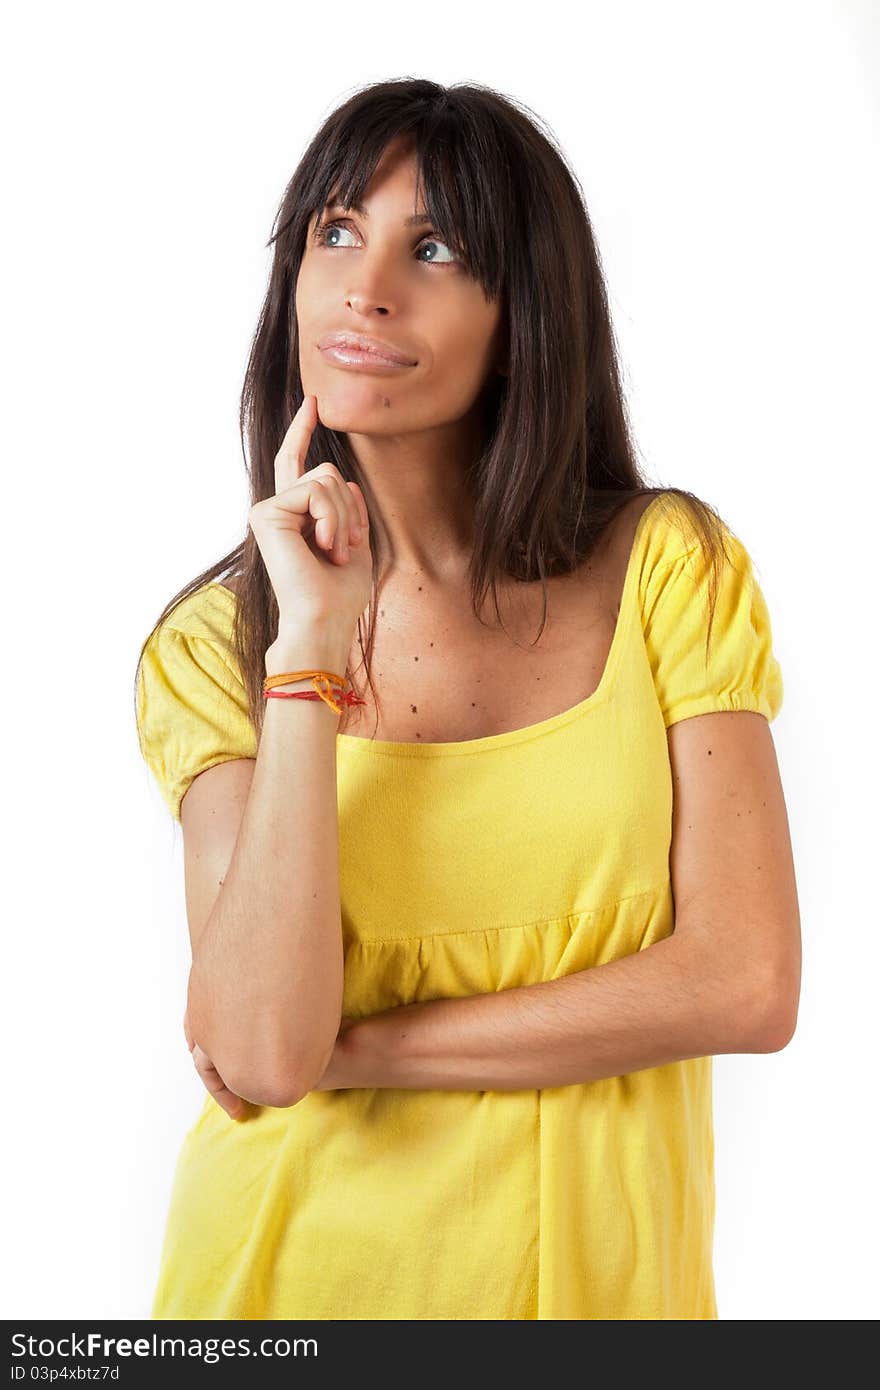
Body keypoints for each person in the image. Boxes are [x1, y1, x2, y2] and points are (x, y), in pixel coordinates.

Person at [134, 78, 801, 1321]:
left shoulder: (669, 569)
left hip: (606, 1295)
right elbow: (264, 1049)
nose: (365, 286)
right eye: (336, 231)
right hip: (288, 1286)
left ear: (525, 311)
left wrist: (366, 1052)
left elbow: (747, 981)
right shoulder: (215, 647)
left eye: (433, 248)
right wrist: (310, 655)